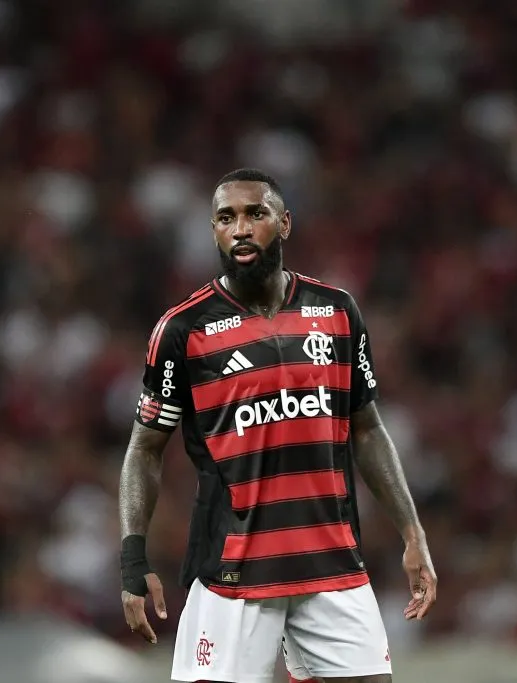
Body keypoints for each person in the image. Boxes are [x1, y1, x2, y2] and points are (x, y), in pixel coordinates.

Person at [118, 168, 437, 683]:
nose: (240, 228)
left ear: (284, 224)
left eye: (255, 214)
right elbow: (144, 449)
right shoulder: (183, 330)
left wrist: (412, 531)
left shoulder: (337, 313)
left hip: (331, 563)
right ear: (214, 232)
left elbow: (369, 429)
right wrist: (133, 560)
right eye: (226, 218)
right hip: (234, 572)